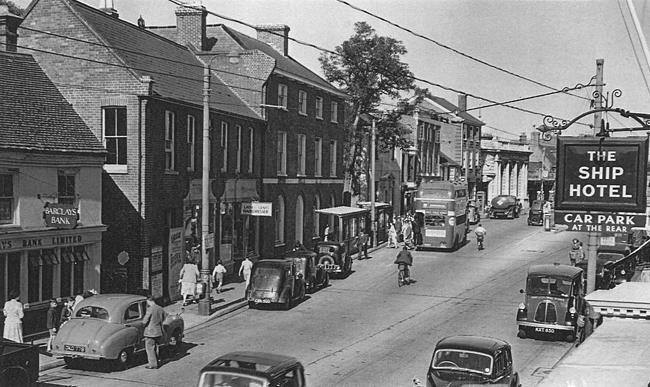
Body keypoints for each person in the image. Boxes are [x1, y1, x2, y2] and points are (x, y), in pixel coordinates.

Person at [142, 296, 167, 369]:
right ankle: (157, 361)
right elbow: (164, 318)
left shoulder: (150, 309)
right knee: (156, 347)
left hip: (150, 332)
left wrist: (143, 325)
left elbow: (145, 321)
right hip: (158, 330)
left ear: (150, 301)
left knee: (149, 348)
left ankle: (153, 364)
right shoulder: (160, 308)